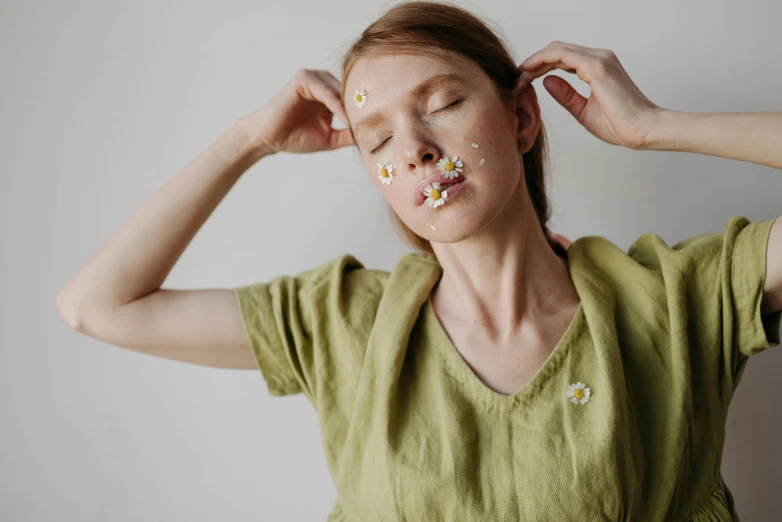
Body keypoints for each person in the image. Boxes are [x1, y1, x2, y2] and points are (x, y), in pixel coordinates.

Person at [56, 1, 782, 520]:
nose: (412, 147)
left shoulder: (678, 298)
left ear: (522, 118)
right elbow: (96, 306)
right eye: (376, 140)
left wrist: (657, 127)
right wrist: (247, 139)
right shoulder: (342, 324)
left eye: (440, 103)